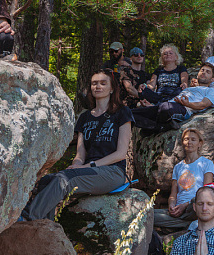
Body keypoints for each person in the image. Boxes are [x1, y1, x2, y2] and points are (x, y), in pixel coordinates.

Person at [21, 69, 133, 220]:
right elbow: (80, 153)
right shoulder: (85, 117)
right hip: (87, 171)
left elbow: (120, 153)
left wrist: (88, 166)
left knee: (64, 180)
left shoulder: (122, 112)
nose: (97, 86)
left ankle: (28, 218)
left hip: (112, 171)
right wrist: (76, 165)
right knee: (47, 181)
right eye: (94, 83)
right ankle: (44, 226)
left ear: (112, 88)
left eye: (103, 83)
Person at [152, 129, 214, 230]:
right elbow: (173, 194)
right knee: (146, 214)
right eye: (186, 139)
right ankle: (183, 223)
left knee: (198, 203)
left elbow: (207, 192)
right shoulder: (178, 167)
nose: (189, 142)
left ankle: (176, 223)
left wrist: (185, 205)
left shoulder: (206, 163)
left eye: (193, 139)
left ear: (200, 143)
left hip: (194, 207)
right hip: (179, 210)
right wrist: (172, 206)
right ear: (182, 142)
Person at [132, 63, 214, 131]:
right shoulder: (189, 89)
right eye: (202, 70)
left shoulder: (212, 91)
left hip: (184, 109)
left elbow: (203, 105)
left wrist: (188, 104)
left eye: (208, 72)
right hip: (168, 105)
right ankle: (160, 127)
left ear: (212, 79)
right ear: (198, 74)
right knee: (130, 113)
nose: (204, 73)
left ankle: (154, 127)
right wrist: (151, 107)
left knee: (165, 107)